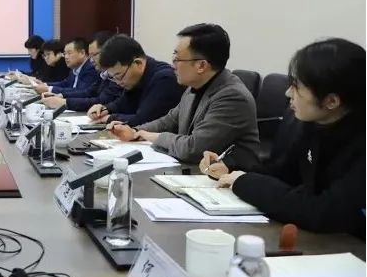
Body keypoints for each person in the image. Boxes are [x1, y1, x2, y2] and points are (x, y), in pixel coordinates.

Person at [202, 38, 365, 236]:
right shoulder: (307, 123)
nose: (288, 93)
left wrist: (245, 182)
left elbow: (324, 213)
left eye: (297, 87)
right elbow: (281, 174)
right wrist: (231, 169)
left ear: (331, 101)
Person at [108, 24, 260, 167]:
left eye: (177, 59)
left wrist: (149, 135)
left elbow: (193, 149)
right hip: (194, 171)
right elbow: (168, 121)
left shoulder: (232, 97)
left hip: (226, 177)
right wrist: (134, 132)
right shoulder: (194, 86)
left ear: (201, 65)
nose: (172, 64)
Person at [86, 35, 183, 126]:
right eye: (113, 77)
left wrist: (108, 118)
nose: (118, 82)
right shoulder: (136, 78)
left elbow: (144, 120)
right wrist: (104, 109)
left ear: (138, 63)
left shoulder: (165, 80)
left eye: (119, 76)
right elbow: (123, 103)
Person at [42, 31, 122, 111]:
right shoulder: (102, 73)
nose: (91, 60)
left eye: (94, 55)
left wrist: (65, 102)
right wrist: (61, 96)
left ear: (108, 52)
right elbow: (88, 92)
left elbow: (101, 101)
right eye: (90, 56)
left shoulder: (111, 74)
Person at [31, 38, 98, 96]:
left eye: (69, 53)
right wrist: (45, 84)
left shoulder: (90, 68)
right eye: (65, 53)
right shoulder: (74, 67)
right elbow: (65, 83)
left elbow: (80, 91)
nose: (66, 57)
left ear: (82, 53)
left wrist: (49, 89)